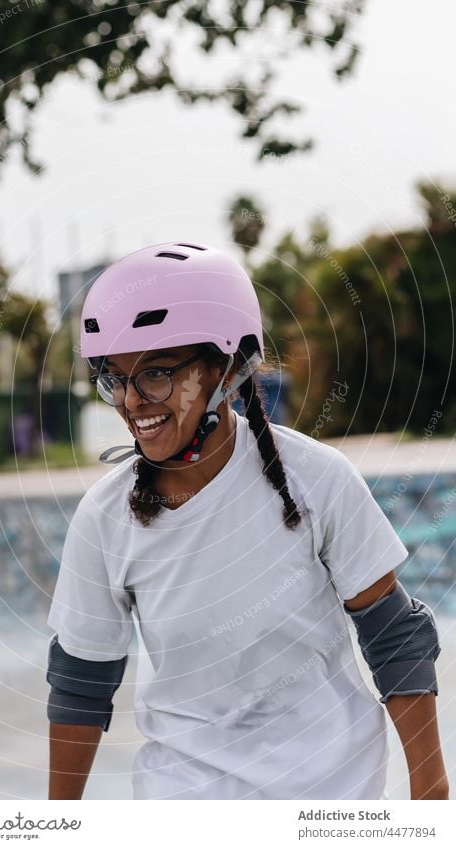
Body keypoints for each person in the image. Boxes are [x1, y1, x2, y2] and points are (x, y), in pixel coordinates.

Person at [46, 241, 448, 800]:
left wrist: (432, 795)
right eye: (113, 377)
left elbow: (395, 640)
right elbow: (81, 686)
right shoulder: (104, 518)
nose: (132, 401)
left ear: (226, 367)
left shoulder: (318, 478)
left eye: (157, 373)